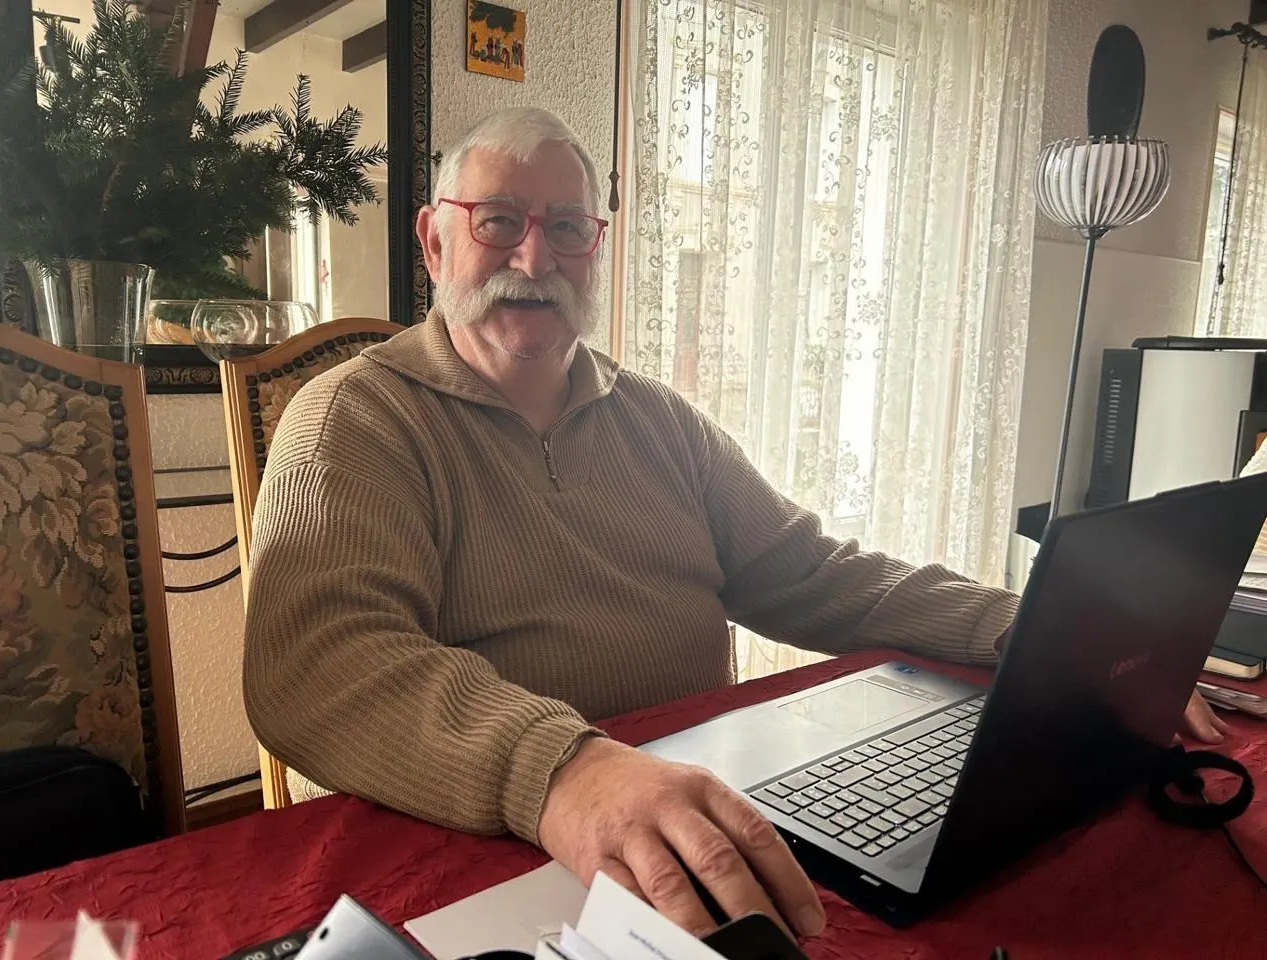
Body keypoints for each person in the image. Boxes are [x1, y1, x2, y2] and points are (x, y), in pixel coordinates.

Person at [242, 107, 1229, 939]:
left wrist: (1026, 626)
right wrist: (561, 773)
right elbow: (320, 661)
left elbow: (812, 572)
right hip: (488, 847)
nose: (533, 257)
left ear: (597, 247)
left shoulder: (658, 420)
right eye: (498, 221)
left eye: (567, 226)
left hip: (687, 823)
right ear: (433, 240)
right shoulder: (353, 420)